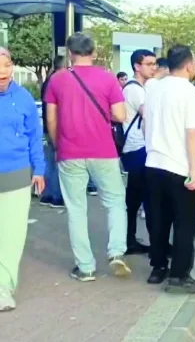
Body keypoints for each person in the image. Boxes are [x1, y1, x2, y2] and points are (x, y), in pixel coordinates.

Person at [43, 33, 131, 282]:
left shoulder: (57, 80)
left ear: (70, 53)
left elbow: (51, 118)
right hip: (103, 150)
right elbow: (120, 115)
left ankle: (86, 267)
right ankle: (116, 252)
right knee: (114, 201)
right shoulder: (107, 79)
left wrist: (59, 143)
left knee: (76, 209)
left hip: (70, 152)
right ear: (94, 52)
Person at [143, 44, 195, 293]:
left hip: (153, 163)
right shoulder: (191, 94)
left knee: (158, 220)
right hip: (179, 167)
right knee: (185, 224)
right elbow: (193, 135)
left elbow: (147, 125)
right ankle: (180, 275)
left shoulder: (154, 89)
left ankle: (158, 267)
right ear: (189, 65)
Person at [0, 47, 46, 312]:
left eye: (5, 66)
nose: (2, 73)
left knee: (12, 234)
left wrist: (39, 169)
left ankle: (4, 288)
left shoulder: (24, 99)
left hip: (16, 173)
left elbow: (33, 137)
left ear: (12, 66)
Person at [121, 49, 157, 255]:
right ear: (137, 66)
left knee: (134, 199)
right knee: (148, 200)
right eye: (149, 64)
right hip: (138, 148)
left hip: (137, 148)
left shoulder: (140, 88)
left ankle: (129, 240)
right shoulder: (135, 89)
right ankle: (156, 246)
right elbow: (150, 114)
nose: (153, 67)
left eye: (154, 64)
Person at [39, 55, 66, 208]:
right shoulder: (58, 82)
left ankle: (47, 195)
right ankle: (57, 196)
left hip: (46, 127)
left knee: (49, 162)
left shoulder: (47, 81)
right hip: (55, 126)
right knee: (57, 163)